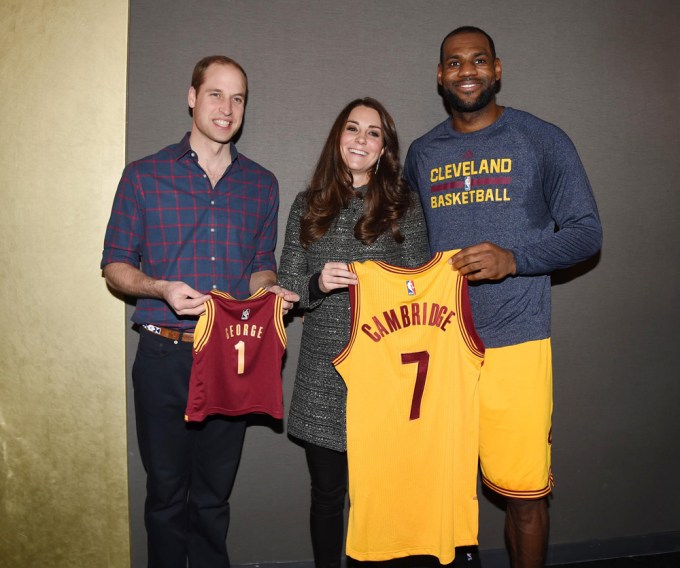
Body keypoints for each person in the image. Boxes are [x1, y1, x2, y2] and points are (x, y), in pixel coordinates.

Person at [404, 26, 603, 568]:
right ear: (440, 75)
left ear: (497, 69)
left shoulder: (542, 139)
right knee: (437, 496)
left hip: (516, 341)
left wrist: (514, 258)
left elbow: (587, 233)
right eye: (453, 63)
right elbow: (410, 247)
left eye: (477, 60)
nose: (465, 71)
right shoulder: (423, 153)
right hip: (440, 346)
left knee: (525, 496)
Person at [101, 55, 298, 568]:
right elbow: (115, 266)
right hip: (163, 355)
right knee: (166, 496)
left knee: (212, 498)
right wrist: (161, 287)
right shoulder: (144, 176)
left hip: (229, 357)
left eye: (237, 98)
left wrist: (269, 290)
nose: (226, 108)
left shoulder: (262, 184)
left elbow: (260, 265)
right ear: (192, 97)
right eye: (215, 94)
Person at [277, 97, 431, 568]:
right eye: (352, 128)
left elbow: (421, 286)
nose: (361, 139)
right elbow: (285, 290)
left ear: (385, 148)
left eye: (373, 133)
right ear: (337, 138)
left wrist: (385, 279)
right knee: (326, 497)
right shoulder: (307, 204)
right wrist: (317, 284)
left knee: (380, 498)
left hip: (386, 377)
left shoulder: (404, 205)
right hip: (323, 376)